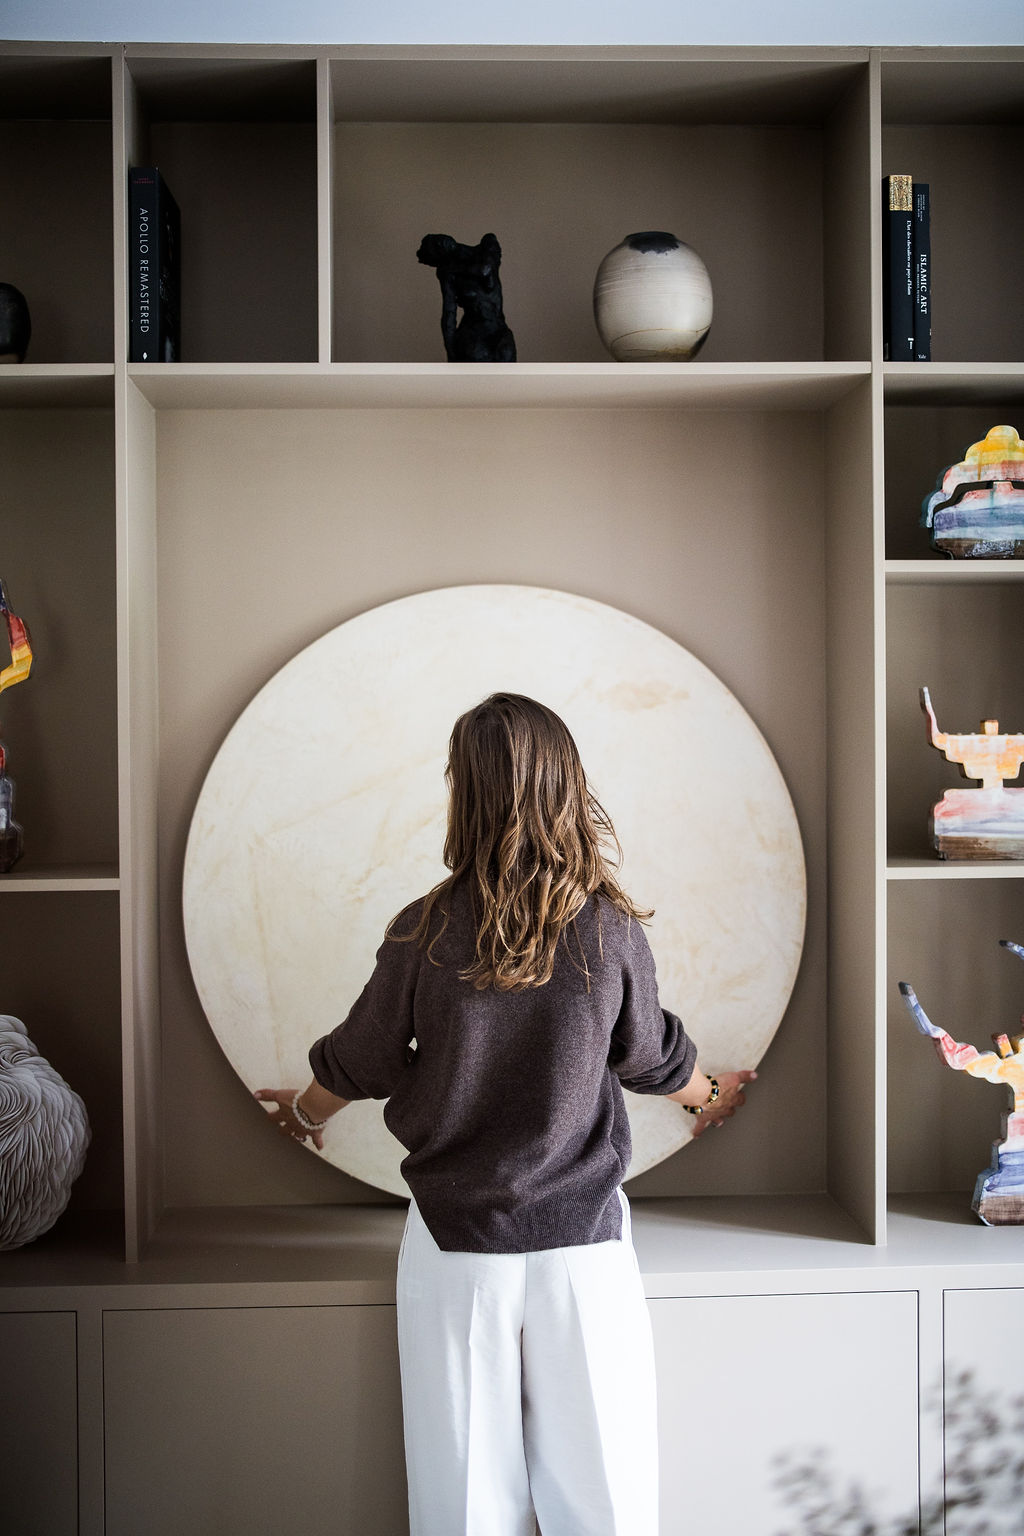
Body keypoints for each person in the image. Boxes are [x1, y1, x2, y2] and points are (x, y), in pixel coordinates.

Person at [256, 692, 755, 1536]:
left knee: (462, 1506)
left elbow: (363, 1056)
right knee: (607, 1505)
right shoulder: (608, 931)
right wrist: (710, 1098)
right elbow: (650, 1054)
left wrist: (304, 1113)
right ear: (568, 786)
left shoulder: (424, 928)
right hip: (584, 1247)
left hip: (456, 1250)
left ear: (465, 795)